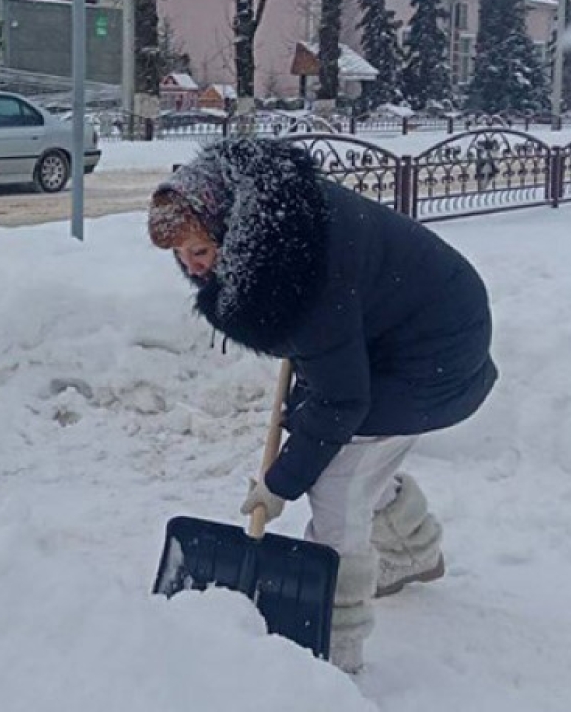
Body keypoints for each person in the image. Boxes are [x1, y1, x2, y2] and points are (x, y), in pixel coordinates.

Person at [147, 137, 498, 674]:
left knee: (337, 483)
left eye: (199, 253)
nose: (193, 269)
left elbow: (341, 398)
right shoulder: (280, 226)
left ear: (229, 233)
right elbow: (329, 354)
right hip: (414, 326)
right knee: (355, 461)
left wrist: (281, 481)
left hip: (432, 356)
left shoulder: (300, 274)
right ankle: (412, 551)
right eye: (180, 258)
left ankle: (336, 647)